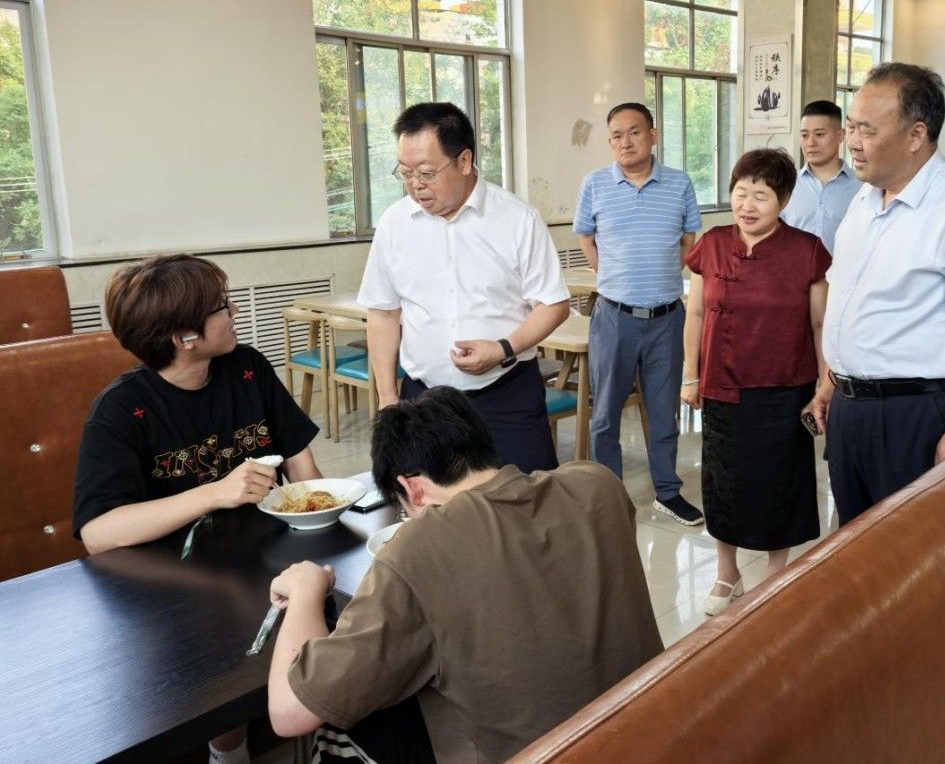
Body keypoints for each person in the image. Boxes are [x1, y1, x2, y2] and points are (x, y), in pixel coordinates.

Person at [266, 387, 662, 763]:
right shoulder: (597, 483)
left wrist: (306, 591)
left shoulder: (418, 549)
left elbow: (289, 714)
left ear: (412, 489)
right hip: (654, 728)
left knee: (350, 724)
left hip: (545, 752)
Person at [72, 253, 323, 764]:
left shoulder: (248, 368)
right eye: (222, 306)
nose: (234, 312)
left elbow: (301, 462)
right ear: (184, 337)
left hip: (266, 553)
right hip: (179, 580)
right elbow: (98, 532)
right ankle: (228, 750)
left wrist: (322, 515)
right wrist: (213, 492)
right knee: (223, 652)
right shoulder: (121, 411)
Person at [803, 63, 945, 525]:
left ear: (915, 134)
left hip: (915, 414)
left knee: (913, 547)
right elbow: (850, 299)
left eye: (867, 130)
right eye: (851, 127)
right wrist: (830, 382)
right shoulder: (865, 200)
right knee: (856, 543)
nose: (853, 141)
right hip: (850, 408)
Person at [359, 102, 570, 474]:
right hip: (423, 400)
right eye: (405, 173)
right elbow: (383, 312)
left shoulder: (517, 219)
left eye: (426, 173)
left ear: (465, 160)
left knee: (524, 498)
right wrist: (388, 396)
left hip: (506, 393)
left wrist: (503, 348)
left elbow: (553, 304)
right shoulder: (395, 224)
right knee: (430, 503)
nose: (415, 185)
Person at [681, 148, 830, 615]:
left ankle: (775, 573)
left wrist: (825, 384)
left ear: (783, 200)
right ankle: (727, 573)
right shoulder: (713, 243)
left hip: (785, 387)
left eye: (761, 196)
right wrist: (690, 376)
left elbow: (820, 324)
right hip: (722, 385)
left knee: (779, 483)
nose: (747, 205)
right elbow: (696, 313)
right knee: (723, 483)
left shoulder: (807, 250)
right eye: (740, 192)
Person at [573, 102, 704, 525]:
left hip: (667, 318)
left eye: (634, 132)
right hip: (614, 318)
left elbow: (688, 242)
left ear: (653, 134)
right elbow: (586, 239)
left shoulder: (679, 183)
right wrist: (613, 277)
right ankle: (610, 496)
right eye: (616, 135)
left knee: (664, 412)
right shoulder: (595, 184)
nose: (625, 142)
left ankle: (668, 491)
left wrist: (659, 278)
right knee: (605, 414)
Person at [779, 99, 862, 253]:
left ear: (840, 136)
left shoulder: (862, 188)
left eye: (819, 134)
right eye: (804, 135)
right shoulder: (786, 184)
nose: (810, 142)